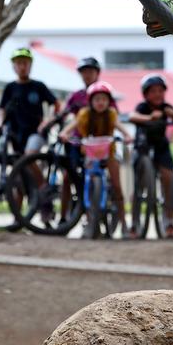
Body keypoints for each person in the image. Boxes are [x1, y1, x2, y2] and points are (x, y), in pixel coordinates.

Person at [59, 80, 132, 238]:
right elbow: (73, 125)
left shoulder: (112, 114)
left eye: (104, 99)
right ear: (91, 101)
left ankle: (124, 223)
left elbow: (120, 126)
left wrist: (127, 135)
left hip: (109, 154)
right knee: (87, 185)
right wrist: (65, 133)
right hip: (90, 154)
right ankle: (89, 222)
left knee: (117, 186)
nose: (101, 103)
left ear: (109, 101)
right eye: (97, 99)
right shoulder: (84, 114)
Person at [58, 57, 117, 226]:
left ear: (97, 73)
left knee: (112, 178)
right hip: (79, 143)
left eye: (91, 71)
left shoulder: (105, 94)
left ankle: (112, 215)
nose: (87, 75)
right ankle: (64, 218)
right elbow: (66, 116)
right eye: (84, 72)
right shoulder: (76, 96)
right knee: (68, 177)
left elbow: (115, 117)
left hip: (103, 145)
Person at [129, 74, 173, 238]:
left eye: (160, 91)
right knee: (138, 186)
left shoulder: (166, 107)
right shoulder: (142, 107)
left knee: (169, 179)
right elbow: (132, 116)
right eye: (153, 91)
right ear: (146, 94)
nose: (157, 94)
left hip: (161, 147)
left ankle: (169, 222)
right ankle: (134, 223)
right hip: (142, 147)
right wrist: (149, 117)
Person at [0, 47, 60, 154]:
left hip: (36, 132)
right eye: (19, 63)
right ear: (14, 66)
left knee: (28, 157)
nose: (22, 67)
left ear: (30, 65)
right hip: (15, 133)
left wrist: (48, 121)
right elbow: (2, 109)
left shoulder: (38, 86)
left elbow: (56, 104)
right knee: (19, 164)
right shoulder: (10, 88)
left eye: (25, 63)